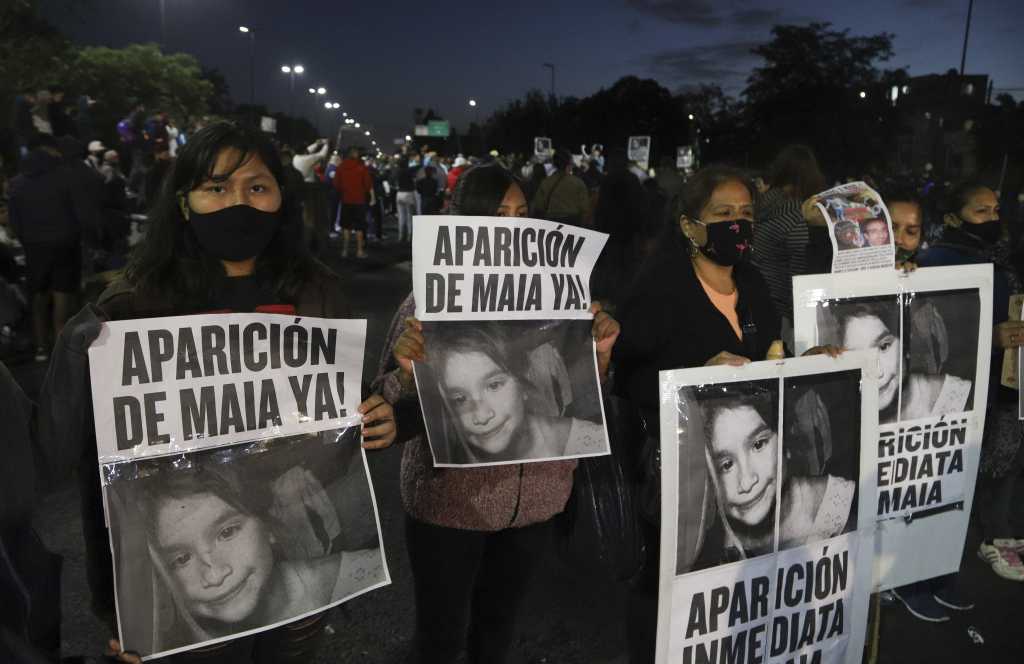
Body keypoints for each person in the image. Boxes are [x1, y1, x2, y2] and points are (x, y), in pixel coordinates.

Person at [37, 122, 397, 663]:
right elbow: (98, 478)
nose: (238, 204)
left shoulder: (315, 289)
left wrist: (377, 416)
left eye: (256, 187)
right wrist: (117, 603)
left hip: (294, 594)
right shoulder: (129, 311)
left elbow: (345, 413)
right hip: (182, 619)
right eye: (216, 188)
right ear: (184, 203)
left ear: (281, 196)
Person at [372, 162, 620, 663]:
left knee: (497, 632)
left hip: (535, 505)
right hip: (449, 509)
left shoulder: (561, 298)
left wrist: (599, 358)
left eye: (521, 213)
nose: (511, 226)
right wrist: (404, 371)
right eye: (495, 214)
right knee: (440, 641)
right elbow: (386, 412)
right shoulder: (427, 300)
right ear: (461, 223)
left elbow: (581, 397)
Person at [613, 165, 837, 662]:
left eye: (745, 214)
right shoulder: (658, 294)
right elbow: (626, 382)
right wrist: (694, 374)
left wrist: (806, 362)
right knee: (667, 579)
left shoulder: (753, 283)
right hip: (680, 471)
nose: (738, 223)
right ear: (690, 225)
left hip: (746, 464)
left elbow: (765, 364)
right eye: (722, 213)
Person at [114, 456, 383, 656]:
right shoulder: (180, 635)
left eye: (227, 532)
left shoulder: (349, 574)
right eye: (181, 559)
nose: (214, 574)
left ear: (267, 526)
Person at [918, 181, 1024, 584]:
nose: (993, 219)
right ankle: (958, 547)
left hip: (1004, 379)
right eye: (981, 211)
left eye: (996, 211)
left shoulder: (999, 257)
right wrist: (990, 336)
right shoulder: (938, 262)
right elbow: (930, 331)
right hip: (958, 384)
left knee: (1004, 455)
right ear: (951, 218)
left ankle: (996, 531)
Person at [686, 384, 855, 571]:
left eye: (758, 445)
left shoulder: (842, 504)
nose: (747, 481)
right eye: (726, 465)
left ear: (785, 439)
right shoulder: (706, 542)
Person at [426, 322, 605, 464]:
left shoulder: (591, 442)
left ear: (522, 381)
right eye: (460, 399)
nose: (481, 416)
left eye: (494, 385)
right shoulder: (456, 462)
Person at [7, 134, 91, 361]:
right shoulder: (66, 177)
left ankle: (41, 346)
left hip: (34, 246)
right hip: (65, 243)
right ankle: (62, 345)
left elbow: (14, 221)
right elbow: (80, 212)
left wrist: (26, 239)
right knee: (63, 292)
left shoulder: (17, 183)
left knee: (38, 293)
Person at [821, 300, 973, 425]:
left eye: (884, 347)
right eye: (857, 356)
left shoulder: (958, 398)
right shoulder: (849, 421)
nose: (876, 372)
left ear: (906, 342)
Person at [753, 145, 826, 346]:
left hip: (755, 300)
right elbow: (799, 272)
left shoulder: (762, 206)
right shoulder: (799, 216)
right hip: (781, 312)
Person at [530, 149, 590, 226]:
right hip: (573, 225)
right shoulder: (579, 183)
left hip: (550, 225)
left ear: (554, 164)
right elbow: (585, 208)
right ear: (569, 164)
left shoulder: (546, 182)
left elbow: (539, 206)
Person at [333, 146, 373, 258]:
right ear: (356, 154)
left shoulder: (341, 167)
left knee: (346, 227)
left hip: (346, 200)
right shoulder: (361, 167)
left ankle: (345, 251)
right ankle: (359, 251)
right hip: (359, 201)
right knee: (360, 227)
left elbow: (336, 184)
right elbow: (368, 184)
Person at [395, 157, 417, 243]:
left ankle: (400, 236)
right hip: (408, 193)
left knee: (401, 216)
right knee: (409, 216)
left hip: (399, 194)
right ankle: (409, 235)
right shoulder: (409, 171)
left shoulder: (397, 172)